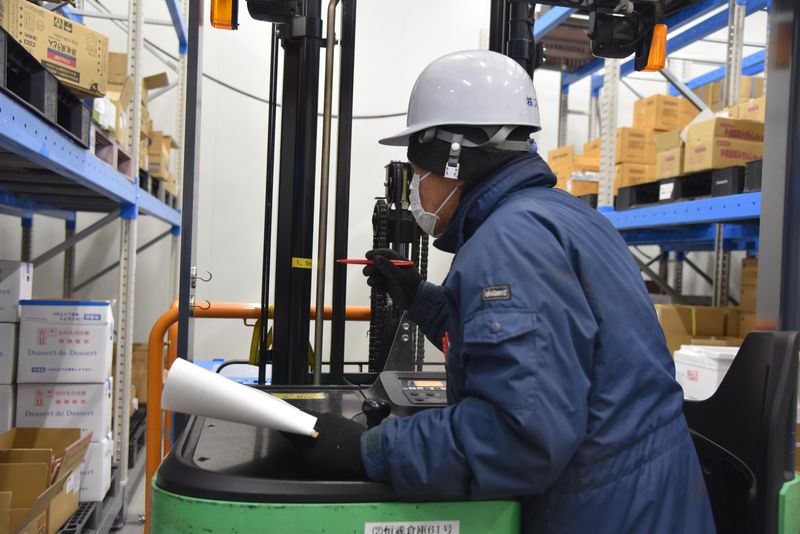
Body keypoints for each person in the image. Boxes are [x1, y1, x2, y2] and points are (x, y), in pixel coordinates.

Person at [291, 50, 716, 533]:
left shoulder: (508, 242)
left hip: (602, 514)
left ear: (450, 160)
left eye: (417, 172)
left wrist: (368, 450)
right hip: (645, 501)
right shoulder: (565, 216)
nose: (414, 190)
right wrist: (420, 297)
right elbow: (537, 350)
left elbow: (517, 436)